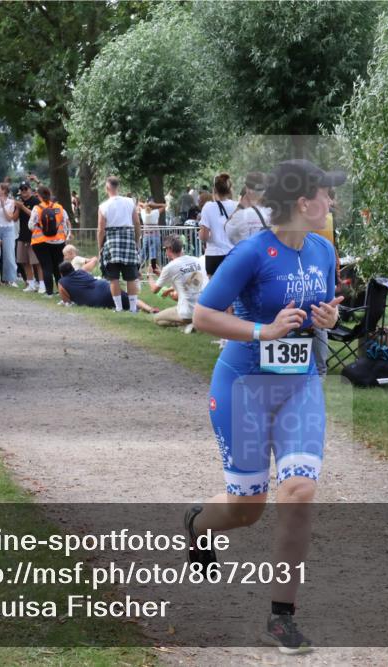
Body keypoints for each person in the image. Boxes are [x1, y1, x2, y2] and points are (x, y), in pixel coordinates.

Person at [189, 159, 345, 655]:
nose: (332, 202)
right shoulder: (252, 253)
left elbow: (320, 312)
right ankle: (197, 526)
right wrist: (263, 330)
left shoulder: (323, 250)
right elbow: (203, 314)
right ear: (303, 202)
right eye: (326, 194)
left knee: (299, 491)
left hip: (300, 385)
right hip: (244, 387)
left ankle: (281, 618)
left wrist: (327, 317)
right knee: (247, 509)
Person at [97, 176, 140, 312]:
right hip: (128, 239)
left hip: (111, 242)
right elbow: (137, 223)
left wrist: (100, 247)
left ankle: (119, 308)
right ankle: (133, 308)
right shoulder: (130, 202)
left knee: (113, 278)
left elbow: (101, 229)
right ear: (118, 186)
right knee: (131, 277)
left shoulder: (103, 206)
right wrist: (136, 241)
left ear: (107, 188)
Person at [148, 236, 206, 330]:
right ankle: (194, 323)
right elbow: (183, 281)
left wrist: (149, 276)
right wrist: (162, 274)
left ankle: (189, 324)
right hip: (202, 308)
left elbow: (154, 290)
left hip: (187, 312)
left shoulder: (170, 267)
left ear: (169, 249)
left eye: (165, 249)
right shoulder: (196, 260)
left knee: (157, 319)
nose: (165, 252)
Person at [57, 262, 157, 312]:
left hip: (95, 300)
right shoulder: (81, 271)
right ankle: (150, 309)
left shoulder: (61, 282)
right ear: (73, 268)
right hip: (105, 286)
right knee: (130, 299)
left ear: (61, 273)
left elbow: (67, 302)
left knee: (117, 304)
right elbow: (93, 262)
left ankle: (121, 308)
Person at [29, 185, 71, 297]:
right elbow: (65, 223)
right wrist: (64, 237)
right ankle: (61, 291)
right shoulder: (59, 207)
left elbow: (31, 225)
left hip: (41, 242)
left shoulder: (37, 208)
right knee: (58, 267)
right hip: (59, 242)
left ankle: (49, 292)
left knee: (46, 267)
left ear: (39, 196)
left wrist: (40, 228)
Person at [198, 173, 236, 277]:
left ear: (214, 190)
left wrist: (200, 234)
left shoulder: (208, 207)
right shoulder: (237, 206)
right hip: (233, 254)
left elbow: (204, 236)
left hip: (213, 255)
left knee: (214, 286)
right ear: (229, 189)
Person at [225, 172, 271, 246]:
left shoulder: (240, 215)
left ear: (248, 190)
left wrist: (240, 206)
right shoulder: (274, 213)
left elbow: (226, 229)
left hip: (247, 253)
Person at [15, 182, 44, 292]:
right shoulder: (20, 202)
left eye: (25, 189)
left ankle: (42, 284)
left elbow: (36, 216)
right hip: (22, 235)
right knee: (24, 261)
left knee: (37, 262)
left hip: (34, 235)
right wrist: (18, 208)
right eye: (21, 189)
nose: (24, 191)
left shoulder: (35, 201)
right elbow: (14, 218)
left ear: (30, 189)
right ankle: (31, 283)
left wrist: (22, 207)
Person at [139, 197, 165, 272]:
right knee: (154, 252)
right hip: (155, 235)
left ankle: (138, 267)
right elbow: (164, 206)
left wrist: (146, 204)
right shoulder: (156, 212)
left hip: (146, 235)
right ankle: (154, 268)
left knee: (144, 253)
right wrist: (155, 204)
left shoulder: (143, 212)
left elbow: (138, 204)